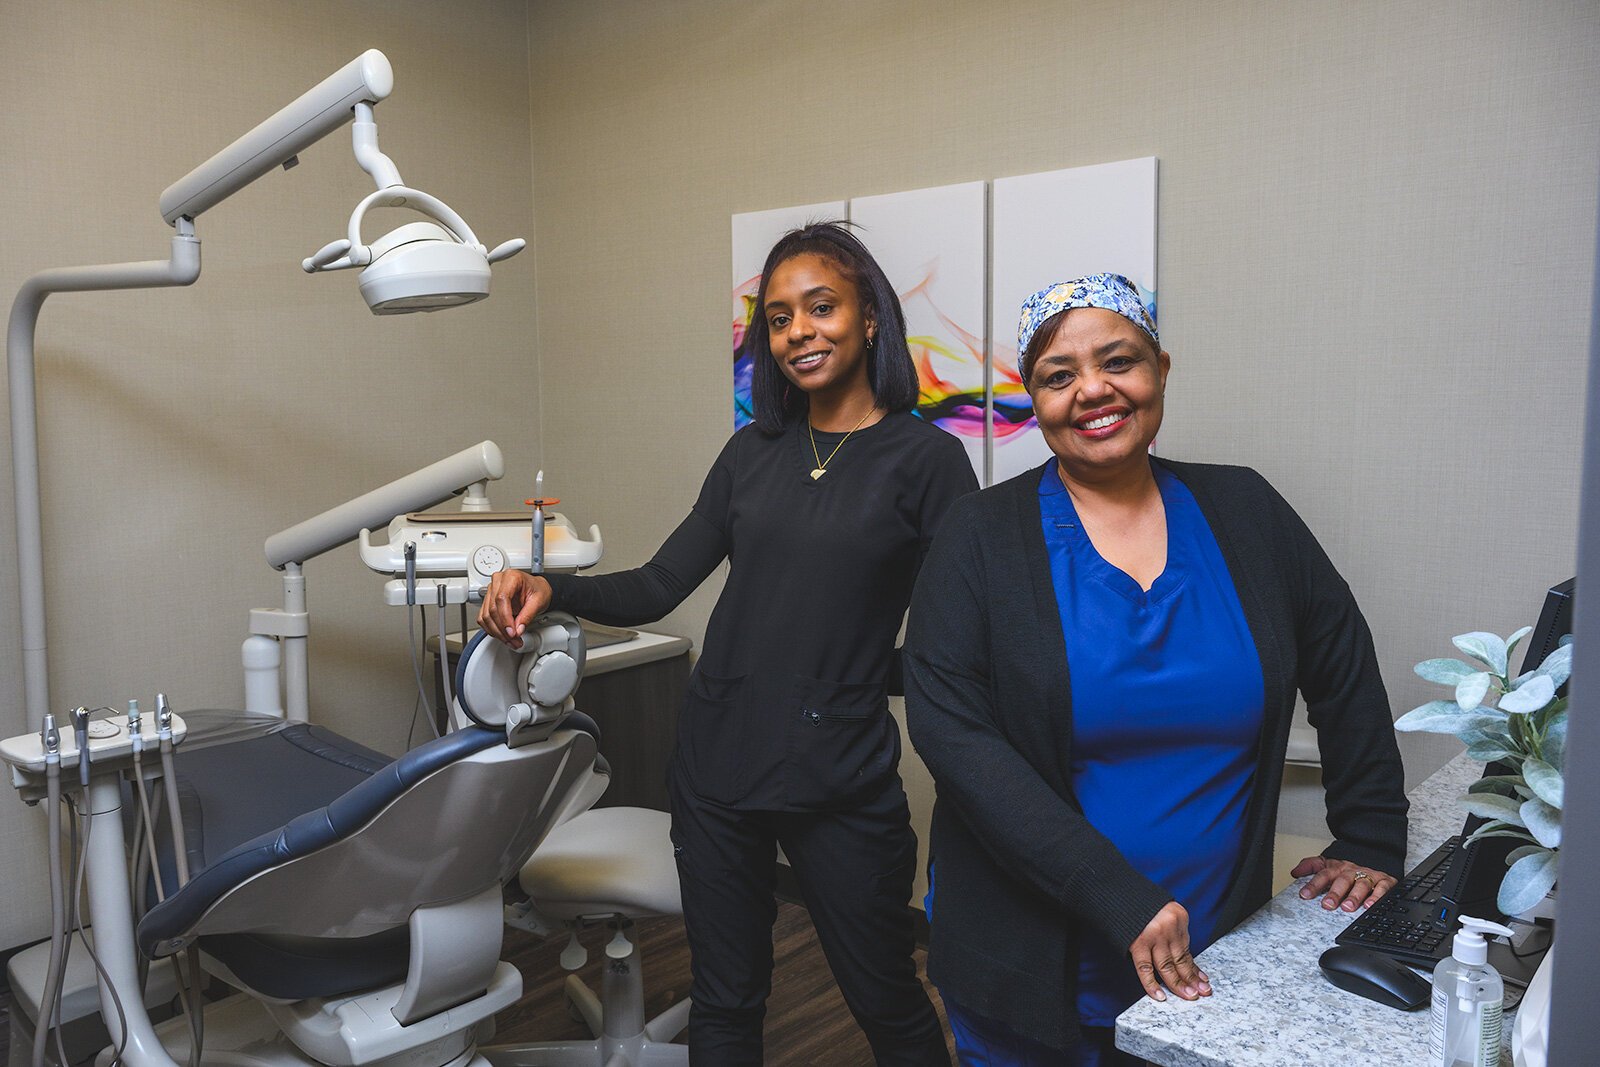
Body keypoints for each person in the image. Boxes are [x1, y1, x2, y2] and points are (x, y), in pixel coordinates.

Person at [479, 222, 974, 1065]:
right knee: (727, 1001)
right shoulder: (753, 452)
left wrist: (846, 681)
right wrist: (550, 584)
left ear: (869, 320)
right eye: (778, 319)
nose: (798, 333)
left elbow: (953, 649)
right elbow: (657, 584)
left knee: (886, 999)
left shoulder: (926, 462)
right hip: (716, 769)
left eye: (820, 308)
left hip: (841, 779)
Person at [903, 274, 1409, 1065]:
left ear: (1160, 370)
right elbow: (951, 730)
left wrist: (1373, 832)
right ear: (1032, 398)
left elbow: (1342, 659)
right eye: (1059, 375)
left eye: (1118, 361)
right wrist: (1113, 890)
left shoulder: (1246, 511)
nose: (1092, 390)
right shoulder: (978, 535)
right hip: (1026, 965)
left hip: (1211, 960)